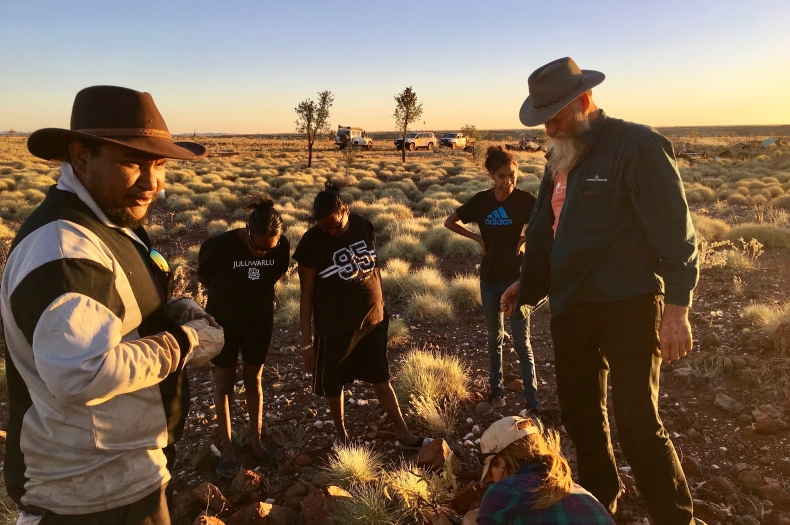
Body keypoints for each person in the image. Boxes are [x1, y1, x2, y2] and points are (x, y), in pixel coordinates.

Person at [0, 86, 224, 524]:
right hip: (88, 496)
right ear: (81, 157)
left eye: (158, 164)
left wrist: (166, 310)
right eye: (131, 163)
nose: (152, 183)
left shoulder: (108, 220)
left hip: (127, 476)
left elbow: (109, 309)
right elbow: (81, 373)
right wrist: (184, 342)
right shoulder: (66, 250)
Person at [500, 58, 701, 524]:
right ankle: (598, 507)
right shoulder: (560, 157)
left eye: (555, 116)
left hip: (629, 304)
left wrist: (677, 311)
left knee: (637, 422)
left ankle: (675, 517)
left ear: (584, 101)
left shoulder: (637, 145)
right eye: (542, 118)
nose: (548, 127)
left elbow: (676, 234)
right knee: (581, 417)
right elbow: (549, 234)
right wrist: (526, 284)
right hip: (573, 308)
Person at [293, 182, 430, 449]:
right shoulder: (311, 243)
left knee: (381, 377)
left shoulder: (362, 224)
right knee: (334, 383)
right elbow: (306, 295)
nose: (332, 231)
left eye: (336, 225)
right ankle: (341, 435)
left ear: (347, 209)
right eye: (325, 227)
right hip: (334, 328)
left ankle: (404, 435)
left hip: (372, 320)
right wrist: (307, 342)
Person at [197, 197, 290, 478]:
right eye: (257, 247)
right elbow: (205, 279)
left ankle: (257, 442)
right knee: (223, 383)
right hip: (223, 323)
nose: (263, 254)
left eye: (268, 249)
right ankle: (227, 451)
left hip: (259, 323)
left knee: (255, 380)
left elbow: (274, 273)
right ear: (247, 230)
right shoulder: (217, 247)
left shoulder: (281, 247)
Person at [444, 146, 539, 416]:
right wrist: (477, 238)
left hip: (518, 280)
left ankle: (533, 405)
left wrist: (527, 237)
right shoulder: (481, 201)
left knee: (522, 342)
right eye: (501, 176)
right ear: (491, 176)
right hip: (489, 279)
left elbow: (549, 220)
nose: (508, 181)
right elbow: (450, 222)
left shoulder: (525, 200)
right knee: (494, 337)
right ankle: (497, 394)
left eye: (512, 175)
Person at [461, 416, 613, 524]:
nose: (493, 480)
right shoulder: (589, 498)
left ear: (501, 463)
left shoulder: (501, 492)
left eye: (491, 474)